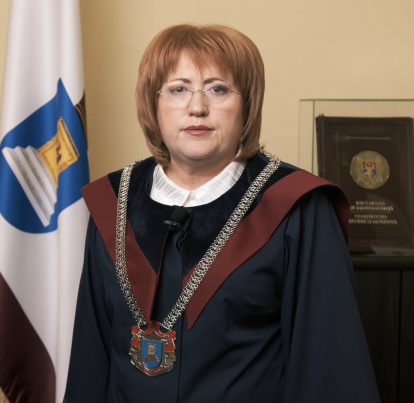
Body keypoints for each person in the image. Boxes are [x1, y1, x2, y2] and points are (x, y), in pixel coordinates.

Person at [64, 24, 380, 402]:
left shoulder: (298, 208)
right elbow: (90, 363)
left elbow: (328, 370)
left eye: (218, 89)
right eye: (178, 89)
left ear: (247, 105)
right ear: (153, 103)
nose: (197, 107)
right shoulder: (115, 203)